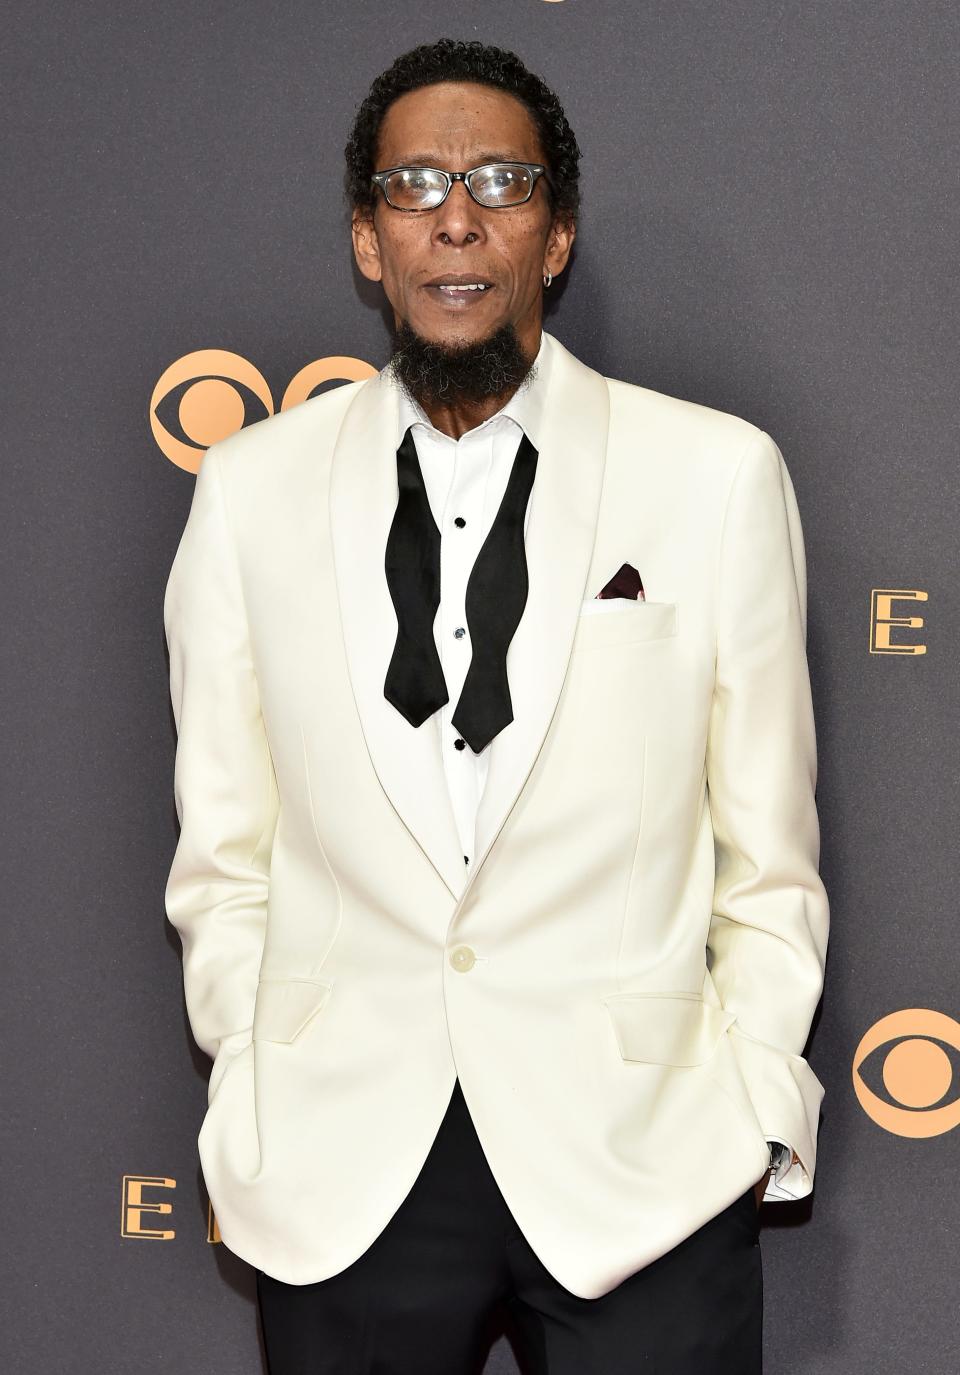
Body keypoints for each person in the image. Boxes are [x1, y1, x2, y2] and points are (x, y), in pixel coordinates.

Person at [163, 37, 829, 1375]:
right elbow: (224, 853)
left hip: (644, 1171)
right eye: (412, 185)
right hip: (344, 1171)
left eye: (499, 181)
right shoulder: (249, 491)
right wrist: (257, 1073)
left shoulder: (716, 476)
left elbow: (771, 854)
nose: (455, 215)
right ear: (367, 240)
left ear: (556, 233)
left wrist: (748, 1104)